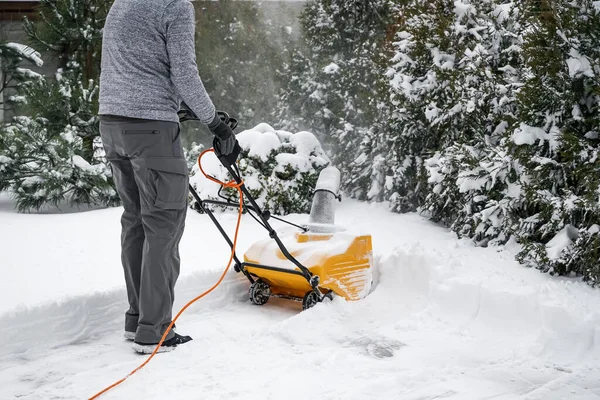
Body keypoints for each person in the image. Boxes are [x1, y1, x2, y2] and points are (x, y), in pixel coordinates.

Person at [98, 0, 238, 354]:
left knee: (135, 222)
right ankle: (155, 329)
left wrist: (174, 103)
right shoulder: (175, 6)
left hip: (112, 125)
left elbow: (130, 65)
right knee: (164, 224)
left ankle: (137, 320)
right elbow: (185, 73)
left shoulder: (123, 3)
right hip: (151, 129)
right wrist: (218, 126)